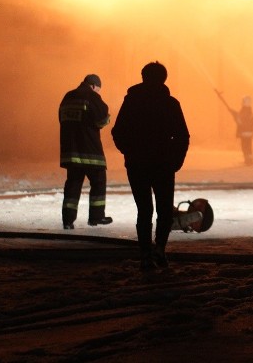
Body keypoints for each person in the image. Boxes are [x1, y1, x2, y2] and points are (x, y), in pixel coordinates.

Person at [112, 62, 190, 271]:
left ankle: (146, 254)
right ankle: (160, 250)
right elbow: (183, 136)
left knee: (144, 210)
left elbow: (118, 131)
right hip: (163, 165)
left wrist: (129, 152)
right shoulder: (171, 103)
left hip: (137, 165)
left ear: (143, 76)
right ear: (164, 78)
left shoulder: (131, 101)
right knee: (164, 210)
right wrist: (175, 160)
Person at [58, 73, 112, 229]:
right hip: (90, 151)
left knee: (73, 184)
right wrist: (107, 119)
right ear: (94, 86)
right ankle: (96, 217)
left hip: (71, 150)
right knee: (98, 181)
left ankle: (68, 220)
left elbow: (61, 118)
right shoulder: (91, 97)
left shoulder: (68, 97)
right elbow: (101, 119)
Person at [216, 90, 253, 165]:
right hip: (249, 132)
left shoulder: (245, 110)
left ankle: (247, 161)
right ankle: (250, 160)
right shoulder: (250, 111)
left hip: (244, 132)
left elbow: (239, 120)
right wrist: (233, 112)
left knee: (245, 146)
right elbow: (249, 121)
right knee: (249, 146)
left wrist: (233, 113)